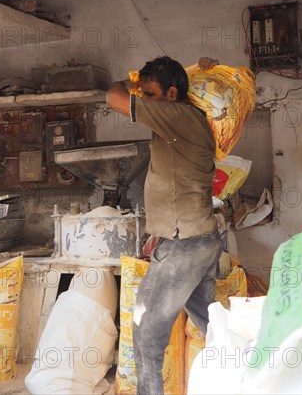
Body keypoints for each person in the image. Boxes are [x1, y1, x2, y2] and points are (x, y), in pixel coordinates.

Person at [106, 56, 222, 394]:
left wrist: (129, 85)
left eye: (150, 94)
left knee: (146, 334)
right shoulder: (184, 121)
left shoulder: (175, 115)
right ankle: (250, 377)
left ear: (172, 94)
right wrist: (157, 233)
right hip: (193, 240)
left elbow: (112, 96)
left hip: (184, 247)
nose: (145, 100)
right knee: (213, 326)